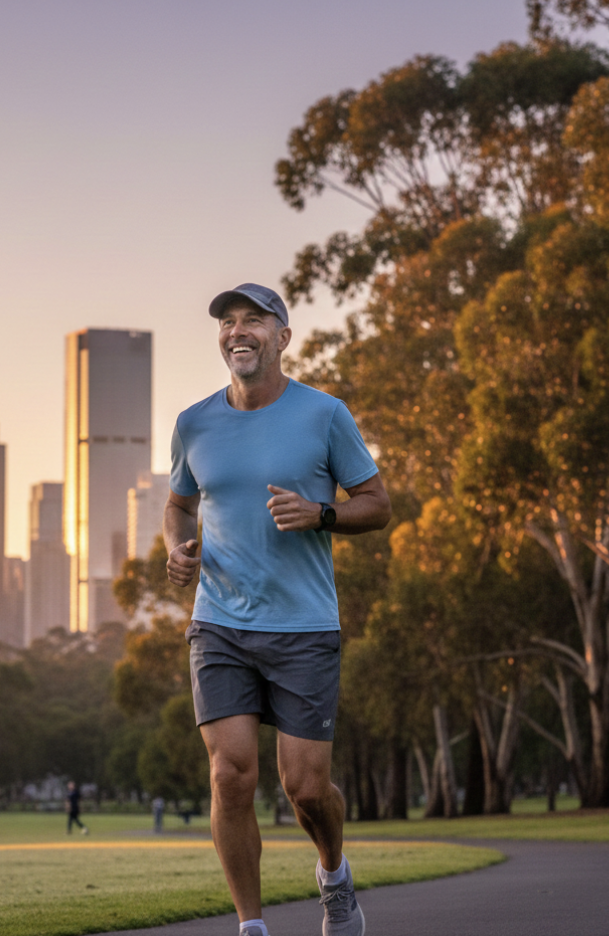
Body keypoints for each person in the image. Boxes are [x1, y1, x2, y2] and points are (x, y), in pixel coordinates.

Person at [165, 283, 391, 936]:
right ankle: (252, 926)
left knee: (305, 789)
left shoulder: (324, 415)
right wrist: (178, 550)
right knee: (230, 775)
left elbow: (377, 503)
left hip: (304, 629)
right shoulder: (194, 422)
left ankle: (333, 876)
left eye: (254, 322)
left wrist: (321, 514)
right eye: (228, 323)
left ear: (283, 337)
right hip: (220, 625)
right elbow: (179, 503)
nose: (239, 332)